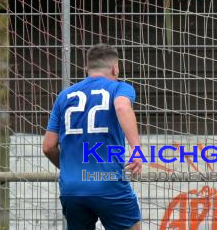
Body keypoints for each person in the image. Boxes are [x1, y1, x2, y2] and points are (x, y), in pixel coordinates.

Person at [43, 43, 142, 230]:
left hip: (72, 189)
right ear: (115, 68)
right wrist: (137, 150)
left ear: (86, 68)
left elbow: (48, 146)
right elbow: (122, 106)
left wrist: (69, 168)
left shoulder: (64, 96)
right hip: (108, 184)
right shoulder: (120, 88)